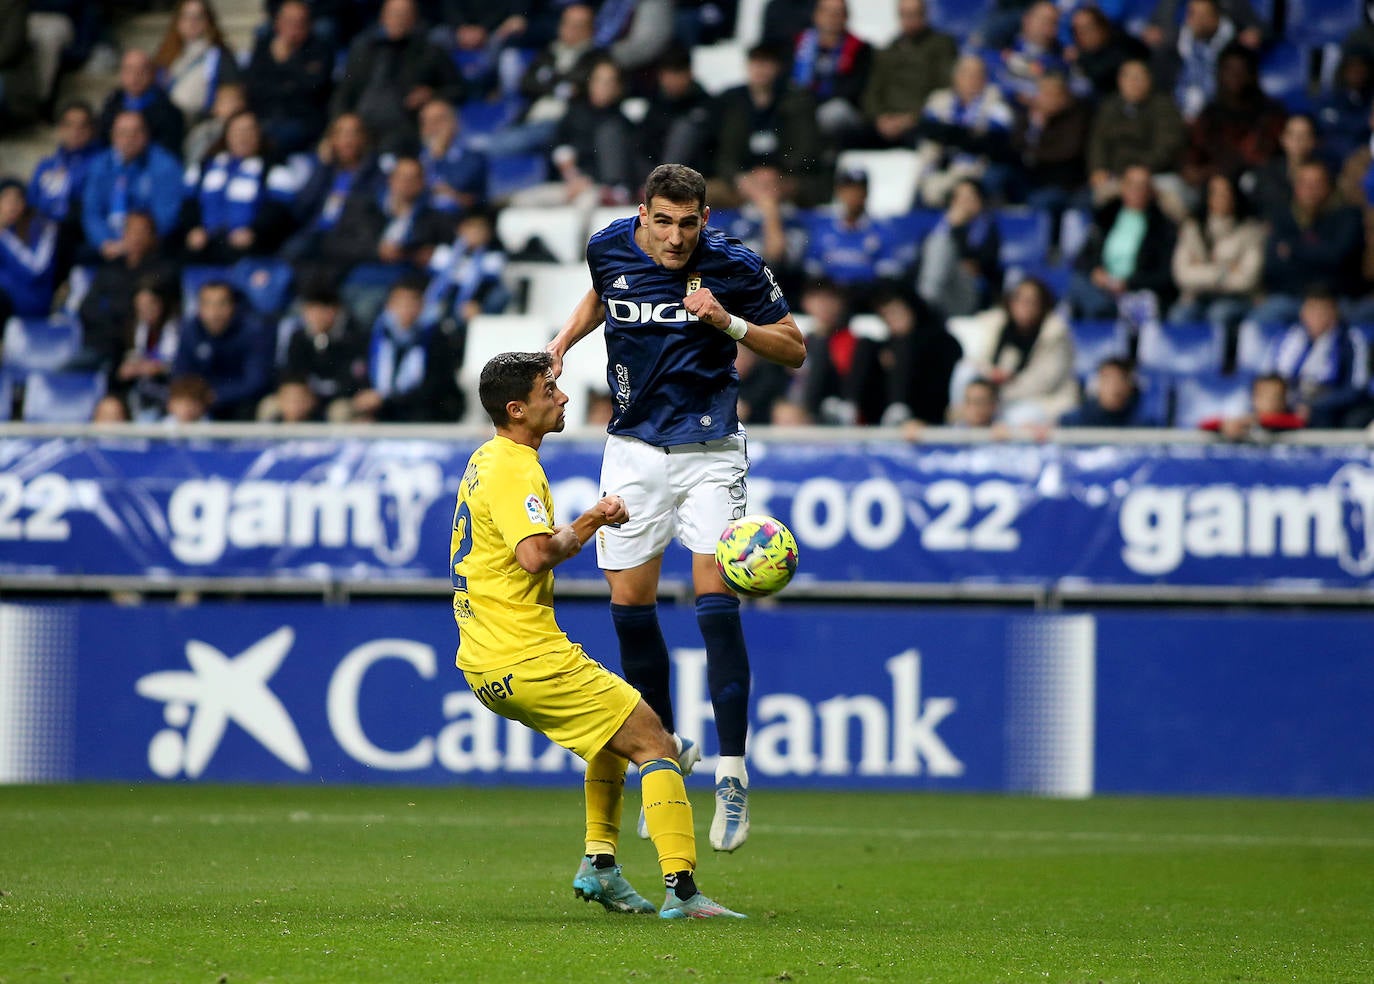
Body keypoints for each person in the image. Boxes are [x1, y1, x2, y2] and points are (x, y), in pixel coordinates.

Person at [545, 163, 807, 852]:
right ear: (643, 213)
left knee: (713, 604)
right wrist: (564, 342)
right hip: (632, 449)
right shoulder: (608, 244)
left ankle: (732, 773)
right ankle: (662, 762)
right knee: (631, 611)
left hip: (709, 449)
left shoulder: (734, 268)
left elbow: (795, 348)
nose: (675, 237)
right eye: (664, 221)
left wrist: (729, 323)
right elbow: (603, 294)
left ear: (705, 220)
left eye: (689, 224)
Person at [451, 349, 745, 919]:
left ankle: (602, 866)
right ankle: (683, 893)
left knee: (612, 736)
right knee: (655, 742)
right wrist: (596, 517)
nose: (562, 397)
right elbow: (536, 555)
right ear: (517, 409)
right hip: (529, 656)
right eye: (548, 391)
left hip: (485, 661)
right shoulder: (515, 467)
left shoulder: (486, 460)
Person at [81, 111, 185, 259]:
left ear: (147, 134)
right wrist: (104, 242)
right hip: (108, 245)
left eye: (136, 132)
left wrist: (134, 242)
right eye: (123, 133)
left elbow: (166, 216)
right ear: (113, 136)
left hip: (148, 245)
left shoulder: (165, 165)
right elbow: (92, 212)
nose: (130, 138)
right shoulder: (100, 165)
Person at [860, 0, 958, 149]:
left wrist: (912, 118)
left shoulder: (942, 46)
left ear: (924, 15)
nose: (910, 20)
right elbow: (873, 91)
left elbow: (945, 90)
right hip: (886, 122)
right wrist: (880, 118)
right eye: (905, 15)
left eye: (914, 14)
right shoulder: (888, 50)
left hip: (922, 121)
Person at [243, 0, 334, 155]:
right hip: (264, 116)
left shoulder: (320, 49)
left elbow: (313, 89)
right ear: (277, 23)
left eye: (300, 23)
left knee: (268, 139)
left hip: (301, 120)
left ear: (309, 25)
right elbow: (254, 87)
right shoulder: (264, 46)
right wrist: (288, 85)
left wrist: (288, 62)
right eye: (289, 22)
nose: (294, 28)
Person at [151, 0, 242, 126]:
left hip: (201, 121)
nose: (191, 22)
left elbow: (231, 95)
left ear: (208, 21)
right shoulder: (165, 55)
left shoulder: (220, 56)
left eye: (198, 17)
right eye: (186, 17)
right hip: (167, 121)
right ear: (177, 21)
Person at [96, 49, 185, 156]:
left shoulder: (169, 113)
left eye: (142, 71)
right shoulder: (111, 103)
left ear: (153, 74)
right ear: (121, 73)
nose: (135, 76)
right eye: (129, 70)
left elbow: (168, 154)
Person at [1059, 357, 1162, 427]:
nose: (1114, 387)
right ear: (1097, 385)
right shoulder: (1072, 422)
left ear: (1130, 387)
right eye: (1107, 380)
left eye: (1119, 380)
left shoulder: (1145, 425)